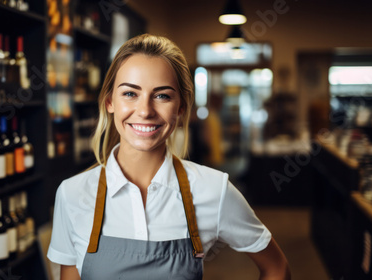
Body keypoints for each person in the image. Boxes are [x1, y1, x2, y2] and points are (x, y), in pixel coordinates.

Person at [47, 34, 291, 280]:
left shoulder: (213, 190)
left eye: (162, 95)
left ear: (181, 107)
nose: (145, 111)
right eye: (130, 94)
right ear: (110, 102)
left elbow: (277, 268)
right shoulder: (72, 195)